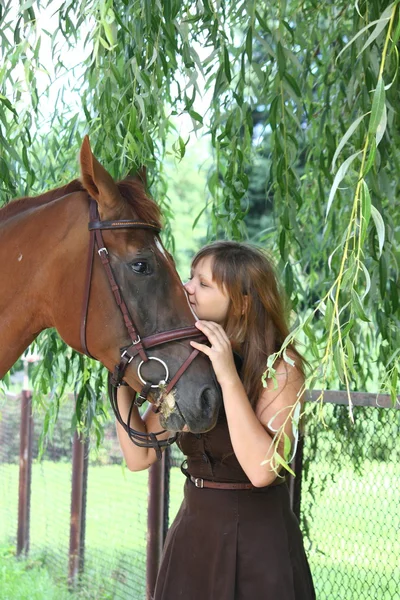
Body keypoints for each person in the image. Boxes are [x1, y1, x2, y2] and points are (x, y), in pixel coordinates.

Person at [116, 241, 316, 600]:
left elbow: (261, 470)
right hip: (193, 536)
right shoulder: (189, 365)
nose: (186, 287)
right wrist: (118, 382)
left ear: (241, 302)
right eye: (190, 277)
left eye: (203, 283)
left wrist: (227, 375)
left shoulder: (282, 370)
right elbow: (139, 456)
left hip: (259, 544)